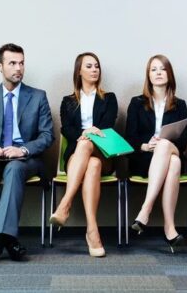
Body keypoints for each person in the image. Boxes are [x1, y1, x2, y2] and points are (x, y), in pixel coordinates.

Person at [0, 43, 54, 264]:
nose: (19, 68)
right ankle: (7, 240)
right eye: (12, 63)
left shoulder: (37, 96)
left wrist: (23, 149)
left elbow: (47, 136)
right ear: (0, 66)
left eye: (22, 63)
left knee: (14, 168)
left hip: (26, 159)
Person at [49, 52, 118, 257]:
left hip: (104, 151)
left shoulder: (109, 98)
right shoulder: (68, 101)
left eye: (96, 66)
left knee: (89, 147)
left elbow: (107, 126)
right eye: (89, 66)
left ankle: (65, 204)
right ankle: (92, 230)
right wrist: (83, 133)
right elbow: (66, 129)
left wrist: (89, 133)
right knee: (92, 164)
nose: (94, 69)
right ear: (79, 71)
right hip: (78, 155)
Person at [125, 54, 187, 253]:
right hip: (145, 160)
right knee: (175, 163)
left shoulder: (180, 104)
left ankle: (146, 209)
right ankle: (170, 228)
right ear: (148, 75)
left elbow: (184, 142)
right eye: (153, 69)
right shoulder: (137, 103)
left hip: (173, 150)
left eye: (162, 69)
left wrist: (163, 144)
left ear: (169, 74)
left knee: (166, 146)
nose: (158, 73)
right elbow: (129, 138)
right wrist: (145, 146)